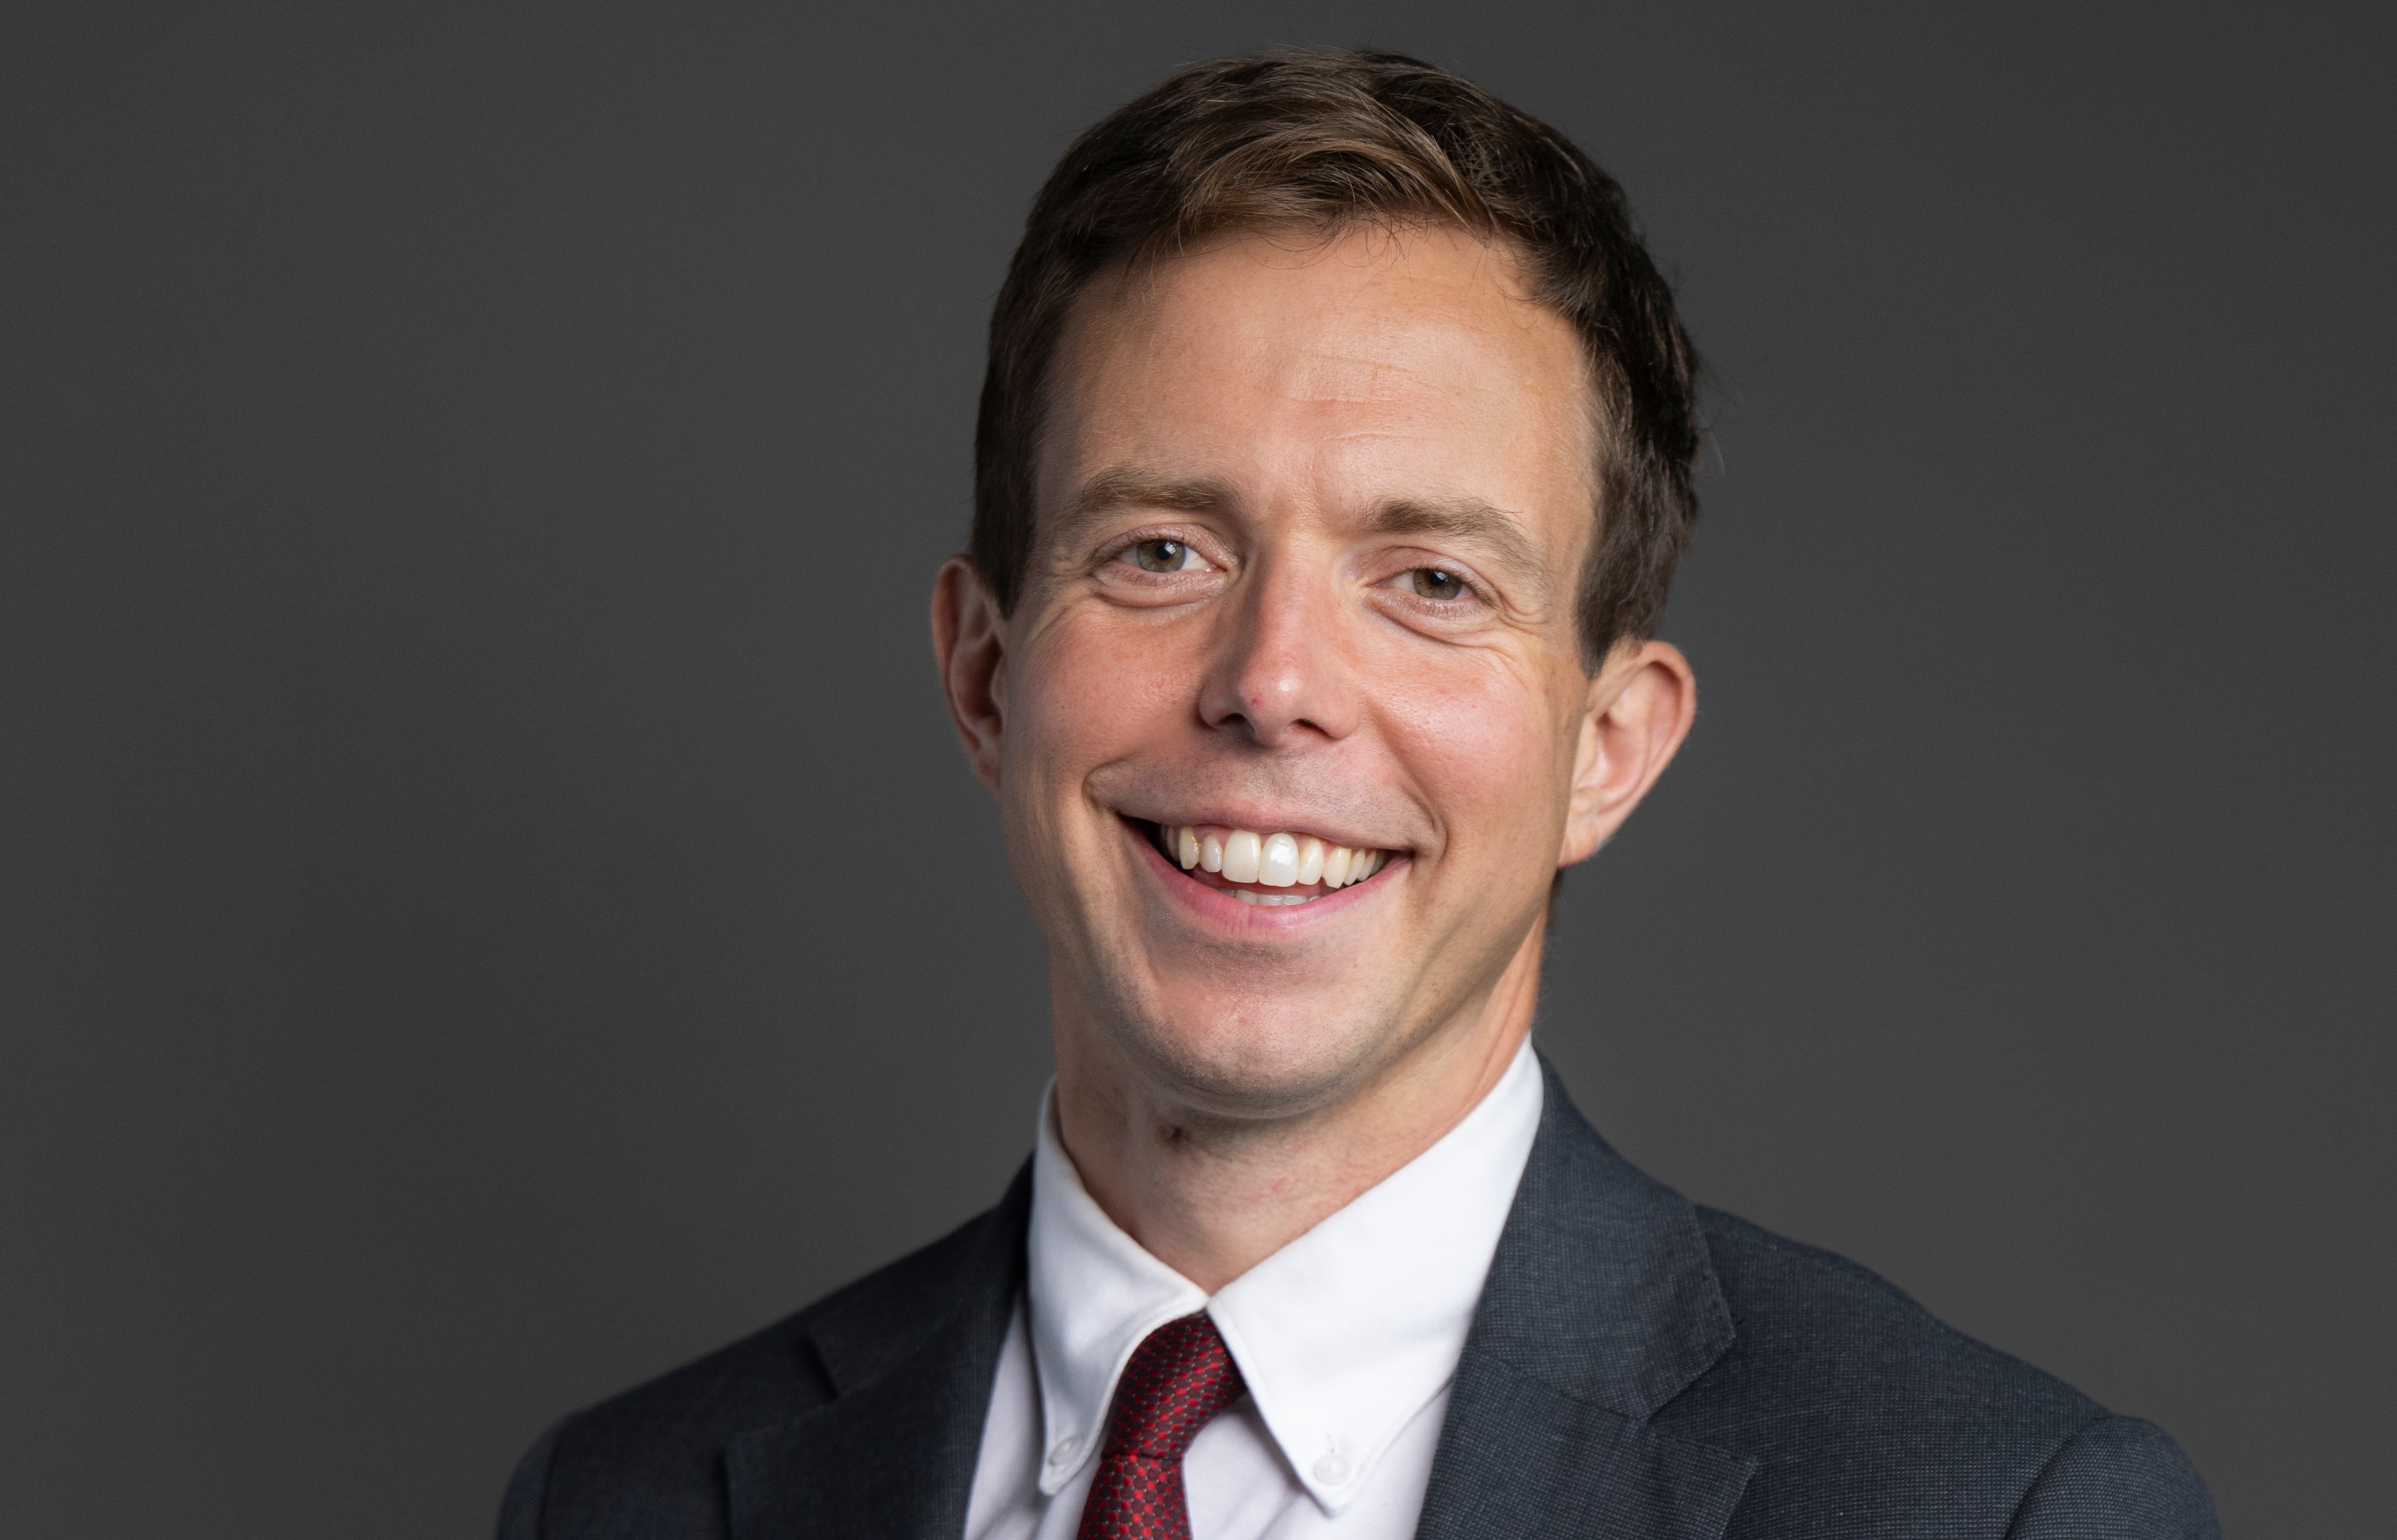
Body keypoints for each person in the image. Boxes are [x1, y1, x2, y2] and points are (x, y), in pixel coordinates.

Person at [498, 48, 2219, 1540]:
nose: (1274, 682)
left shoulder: (1992, 1516)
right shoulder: (629, 1505)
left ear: (1606, 750)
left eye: (1432, 582)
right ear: (984, 675)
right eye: (1162, 551)